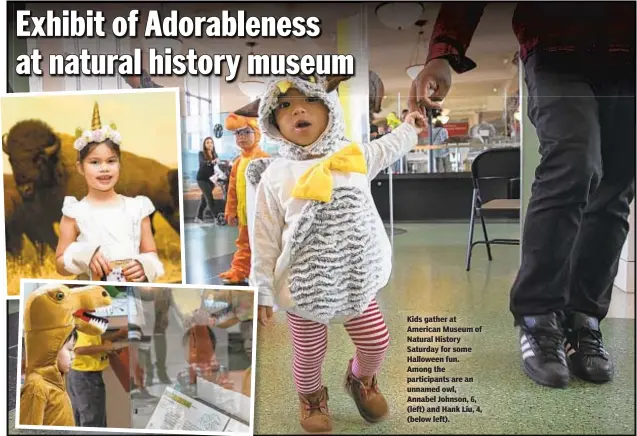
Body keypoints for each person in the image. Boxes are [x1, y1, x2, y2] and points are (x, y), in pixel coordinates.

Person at [409, 2, 635, 388]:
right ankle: (538, 316)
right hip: (556, 46)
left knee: (616, 184)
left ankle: (583, 319)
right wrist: (443, 53)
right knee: (573, 162)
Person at [242, 75, 425, 433]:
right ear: (273, 124)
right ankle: (311, 398)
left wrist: (409, 126)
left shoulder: (352, 156)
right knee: (309, 354)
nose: (297, 109)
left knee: (376, 341)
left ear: (329, 110)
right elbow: (263, 237)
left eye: (308, 100)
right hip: (303, 287)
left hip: (355, 278)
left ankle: (360, 379)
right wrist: (261, 290)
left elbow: (389, 146)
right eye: (284, 105)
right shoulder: (274, 175)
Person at [54, 102, 165, 283]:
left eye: (111, 161)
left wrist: (144, 266)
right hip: (92, 298)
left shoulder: (137, 207)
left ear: (119, 164)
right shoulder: (74, 212)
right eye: (95, 162)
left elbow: (150, 253)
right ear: (80, 168)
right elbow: (60, 265)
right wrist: (84, 255)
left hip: (132, 295)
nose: (104, 168)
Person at [20, 284, 112, 427]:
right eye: (69, 350)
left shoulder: (56, 380)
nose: (73, 355)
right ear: (51, 347)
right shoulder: (36, 388)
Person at [218, 113, 269, 284]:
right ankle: (239, 270)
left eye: (247, 132)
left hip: (261, 215)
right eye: (238, 133)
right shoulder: (238, 162)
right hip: (244, 214)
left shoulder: (264, 159)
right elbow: (231, 189)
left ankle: (263, 275)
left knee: (263, 245)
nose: (242, 137)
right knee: (243, 243)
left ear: (257, 133)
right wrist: (230, 210)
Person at [67, 327, 127, 427]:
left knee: (86, 418)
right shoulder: (83, 321)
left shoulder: (88, 322)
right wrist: (106, 348)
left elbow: (94, 340)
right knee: (92, 421)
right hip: (86, 377)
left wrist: (116, 335)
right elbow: (79, 349)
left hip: (82, 376)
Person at [195, 137, 219, 224]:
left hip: (211, 180)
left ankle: (198, 217)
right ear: (204, 145)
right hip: (202, 179)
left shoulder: (215, 155)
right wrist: (211, 162)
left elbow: (217, 168)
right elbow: (202, 163)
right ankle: (217, 218)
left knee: (204, 199)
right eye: (207, 143)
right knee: (209, 198)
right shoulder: (201, 154)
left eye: (211, 142)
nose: (209, 144)